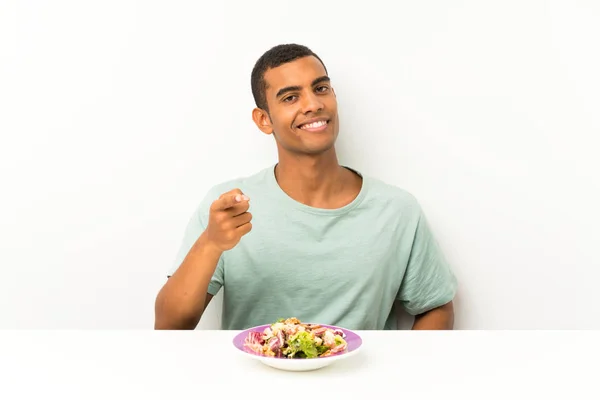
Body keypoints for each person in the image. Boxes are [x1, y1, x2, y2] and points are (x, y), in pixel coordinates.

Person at [154, 44, 457, 331]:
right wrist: (210, 243)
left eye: (321, 88)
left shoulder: (397, 209)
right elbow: (170, 325)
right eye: (290, 97)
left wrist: (401, 375)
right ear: (263, 120)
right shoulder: (229, 208)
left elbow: (435, 306)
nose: (313, 104)